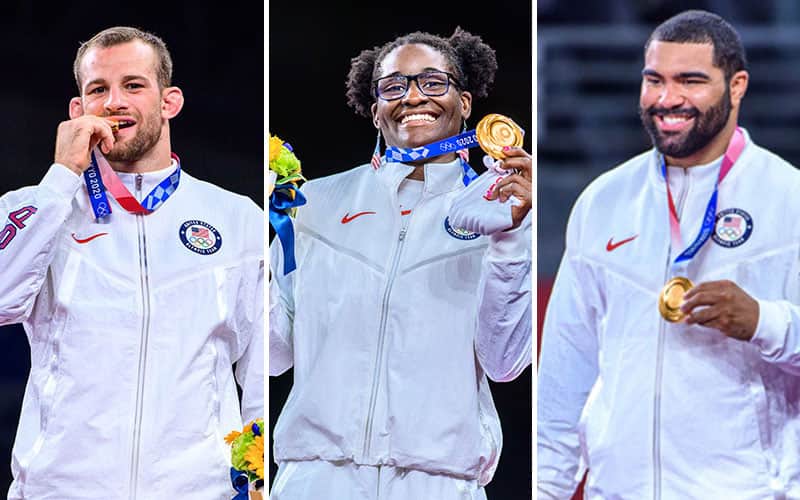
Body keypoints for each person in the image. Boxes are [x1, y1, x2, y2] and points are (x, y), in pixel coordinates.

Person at [538, 9, 800, 499]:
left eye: (690, 80)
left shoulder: (789, 199)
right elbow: (565, 373)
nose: (667, 99)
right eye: (654, 80)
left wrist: (764, 321)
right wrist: (546, 488)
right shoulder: (603, 200)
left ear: (736, 85)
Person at [0, 27, 263, 499]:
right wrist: (61, 179)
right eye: (98, 89)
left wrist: (256, 481)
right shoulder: (38, 208)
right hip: (61, 490)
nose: (114, 101)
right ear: (77, 111)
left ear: (169, 102)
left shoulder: (236, 217)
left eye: (134, 85)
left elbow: (258, 366)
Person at [269, 28, 532, 499]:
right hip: (315, 477)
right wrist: (253, 245)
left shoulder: (502, 210)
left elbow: (505, 363)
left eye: (433, 82)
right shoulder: (314, 204)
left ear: (465, 102)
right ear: (376, 111)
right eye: (394, 87)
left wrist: (511, 240)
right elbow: (272, 354)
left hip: (439, 481)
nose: (413, 96)